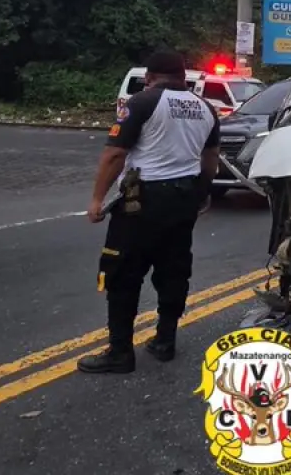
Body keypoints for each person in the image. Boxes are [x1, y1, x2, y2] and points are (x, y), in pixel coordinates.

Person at [77, 50, 221, 374]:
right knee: (173, 270)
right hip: (183, 200)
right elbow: (210, 161)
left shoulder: (142, 102)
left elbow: (115, 154)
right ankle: (165, 341)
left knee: (122, 272)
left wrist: (97, 198)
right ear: (184, 77)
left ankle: (119, 352)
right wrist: (200, 194)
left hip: (143, 201)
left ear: (150, 77)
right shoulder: (206, 108)